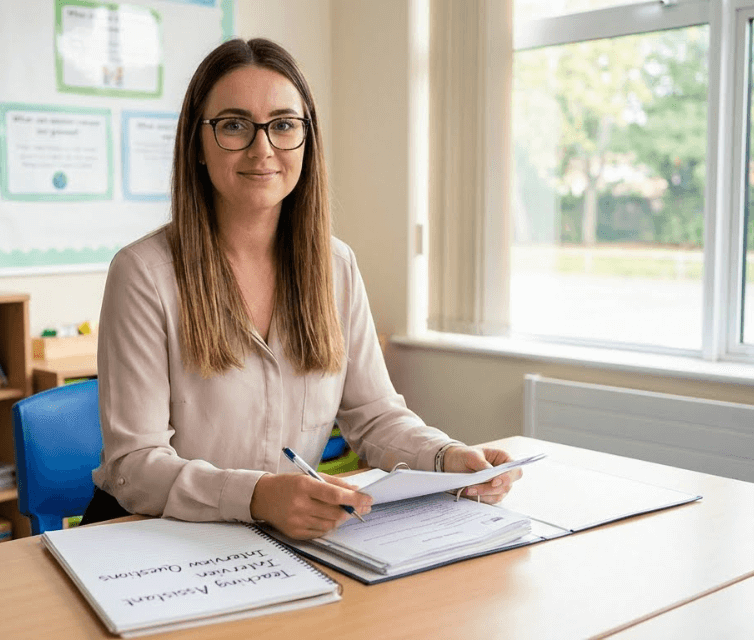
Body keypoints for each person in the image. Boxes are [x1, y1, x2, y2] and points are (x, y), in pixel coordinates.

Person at [83, 37, 522, 540]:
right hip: (156, 535)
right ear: (196, 146)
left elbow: (374, 416)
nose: (262, 148)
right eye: (233, 125)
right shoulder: (143, 273)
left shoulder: (336, 266)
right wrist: (258, 496)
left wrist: (446, 457)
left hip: (278, 539)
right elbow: (133, 465)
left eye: (284, 125)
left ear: (306, 140)